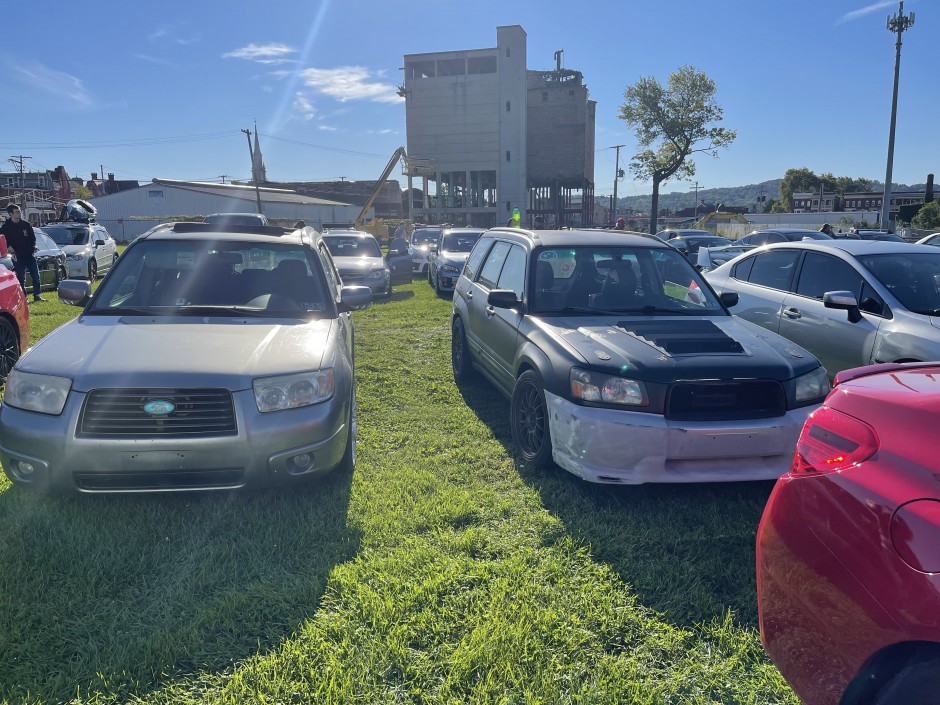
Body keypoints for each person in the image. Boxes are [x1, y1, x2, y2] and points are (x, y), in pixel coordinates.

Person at [0, 204, 45, 302]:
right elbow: (2, 240)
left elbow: (32, 238)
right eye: (16, 212)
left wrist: (33, 246)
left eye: (19, 211)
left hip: (29, 255)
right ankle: (24, 298)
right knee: (21, 278)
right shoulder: (5, 227)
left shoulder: (26, 225)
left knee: (36, 276)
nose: (19, 213)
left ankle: (37, 295)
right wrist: (8, 246)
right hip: (17, 256)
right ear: (10, 214)